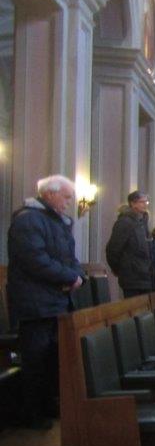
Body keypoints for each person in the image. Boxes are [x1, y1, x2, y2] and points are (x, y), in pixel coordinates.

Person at [6, 175, 84, 429]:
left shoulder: (58, 222)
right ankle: (32, 413)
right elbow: (35, 260)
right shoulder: (28, 220)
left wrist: (77, 275)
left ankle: (49, 404)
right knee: (35, 360)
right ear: (50, 194)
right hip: (35, 304)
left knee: (52, 359)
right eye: (66, 197)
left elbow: (70, 257)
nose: (68, 203)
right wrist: (68, 277)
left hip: (56, 302)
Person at [106, 190, 152, 298]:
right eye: (142, 202)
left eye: (146, 202)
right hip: (132, 277)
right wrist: (120, 270)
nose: (145, 205)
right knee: (134, 307)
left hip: (145, 276)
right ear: (133, 203)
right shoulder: (125, 222)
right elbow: (113, 249)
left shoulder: (142, 223)